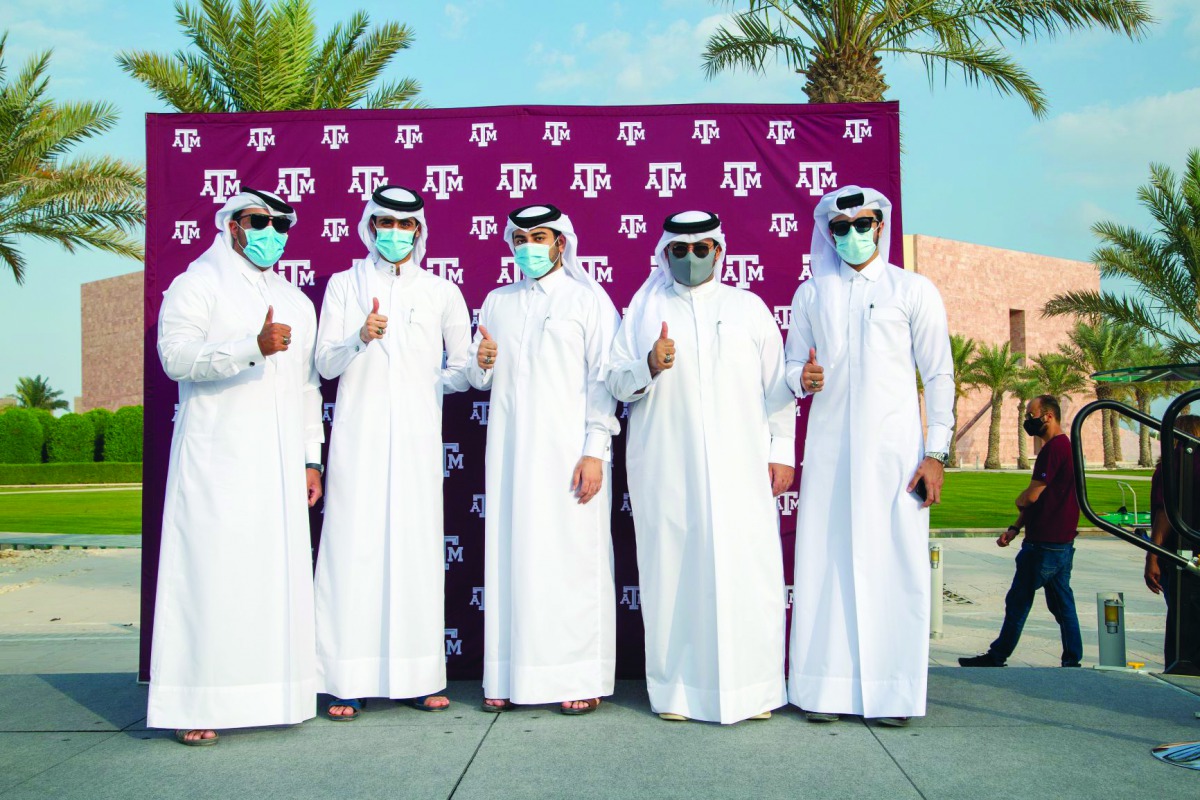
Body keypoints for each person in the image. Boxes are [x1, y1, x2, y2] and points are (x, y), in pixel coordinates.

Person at [149, 189, 324, 746]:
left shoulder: (294, 300)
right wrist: (251, 345)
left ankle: (276, 695)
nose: (271, 231)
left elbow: (306, 389)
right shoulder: (196, 284)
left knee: (273, 576)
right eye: (260, 221)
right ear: (231, 224)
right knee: (211, 576)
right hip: (217, 458)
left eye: (281, 224)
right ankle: (196, 702)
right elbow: (174, 358)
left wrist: (310, 458)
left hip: (278, 465)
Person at [606, 210, 796, 725]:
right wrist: (648, 364)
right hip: (667, 465)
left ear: (719, 250)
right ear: (665, 253)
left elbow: (777, 387)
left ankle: (753, 690)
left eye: (701, 249)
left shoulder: (748, 308)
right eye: (679, 251)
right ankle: (677, 693)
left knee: (746, 572)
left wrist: (781, 452)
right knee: (673, 572)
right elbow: (615, 384)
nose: (691, 259)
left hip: (742, 466)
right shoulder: (644, 309)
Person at [786, 185, 953, 727]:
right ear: (828, 234)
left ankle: (892, 696)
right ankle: (825, 691)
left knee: (894, 567)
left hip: (895, 459)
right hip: (831, 458)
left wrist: (937, 452)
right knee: (826, 564)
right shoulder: (811, 296)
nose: (853, 235)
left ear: (880, 226)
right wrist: (801, 378)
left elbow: (939, 373)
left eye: (863, 224)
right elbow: (791, 369)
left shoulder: (913, 290)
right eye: (841, 227)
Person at [312, 186, 472, 720]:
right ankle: (344, 680)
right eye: (386, 223)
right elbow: (326, 364)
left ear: (420, 231)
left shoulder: (441, 291)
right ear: (370, 225)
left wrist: (480, 365)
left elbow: (463, 369)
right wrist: (359, 336)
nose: (396, 233)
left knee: (415, 553)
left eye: (406, 225)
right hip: (359, 440)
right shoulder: (344, 285)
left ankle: (416, 676)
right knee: (352, 552)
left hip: (417, 442)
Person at [467, 204, 620, 715]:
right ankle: (511, 675)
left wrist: (594, 450)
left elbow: (604, 383)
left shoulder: (588, 299)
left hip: (570, 455)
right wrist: (481, 364)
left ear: (561, 243)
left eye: (540, 236)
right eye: (520, 237)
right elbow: (480, 377)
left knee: (570, 561)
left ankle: (576, 675)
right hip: (511, 454)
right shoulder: (496, 301)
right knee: (512, 557)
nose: (529, 246)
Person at [960, 394, 1083, 669]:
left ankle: (998, 655)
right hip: (1061, 541)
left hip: (1043, 544)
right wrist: (1015, 528)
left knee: (1018, 601)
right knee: (1063, 604)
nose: (1028, 420)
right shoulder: (1067, 447)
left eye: (1031, 414)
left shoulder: (1053, 450)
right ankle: (1072, 659)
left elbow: (1032, 496)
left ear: (1048, 416)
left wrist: (1020, 499)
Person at [1143, 415, 1200, 669]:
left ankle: (1182, 668)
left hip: (1179, 556)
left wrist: (1152, 556)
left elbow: (1164, 513)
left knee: (1182, 621)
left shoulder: (1172, 465)